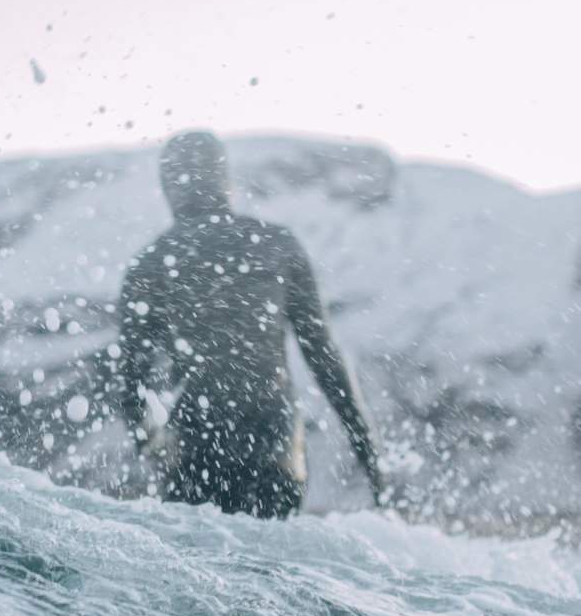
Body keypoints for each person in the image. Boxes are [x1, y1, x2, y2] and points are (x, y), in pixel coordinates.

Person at [115, 130, 386, 517]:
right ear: (225, 180)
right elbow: (324, 359)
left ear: (168, 188)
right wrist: (370, 456)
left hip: (194, 453)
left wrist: (152, 446)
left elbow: (129, 382)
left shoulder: (151, 265)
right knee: (270, 570)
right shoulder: (276, 246)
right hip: (275, 453)